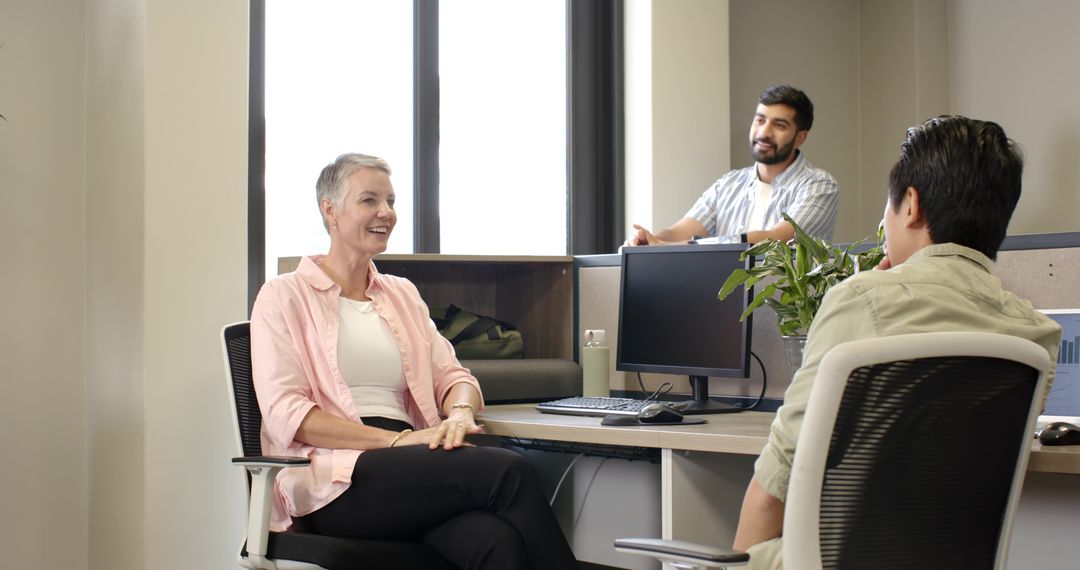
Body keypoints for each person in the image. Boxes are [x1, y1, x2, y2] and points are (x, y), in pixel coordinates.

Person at [731, 116, 1062, 568]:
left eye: (887, 209)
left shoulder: (861, 299)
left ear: (911, 205)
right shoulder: (1036, 336)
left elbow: (775, 488)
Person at [250, 153, 578, 570]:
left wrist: (459, 411)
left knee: (497, 544)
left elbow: (454, 375)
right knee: (508, 471)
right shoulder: (283, 296)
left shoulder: (401, 293)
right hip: (336, 478)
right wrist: (396, 442)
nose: (385, 213)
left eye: (390, 201)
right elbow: (288, 415)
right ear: (329, 210)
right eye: (369, 200)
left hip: (410, 465)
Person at [627, 84, 839, 247]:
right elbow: (679, 232)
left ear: (800, 138)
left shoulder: (819, 185)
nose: (764, 132)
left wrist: (667, 247)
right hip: (724, 301)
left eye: (779, 125)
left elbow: (774, 241)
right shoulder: (728, 184)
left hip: (787, 303)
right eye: (760, 120)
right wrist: (649, 242)